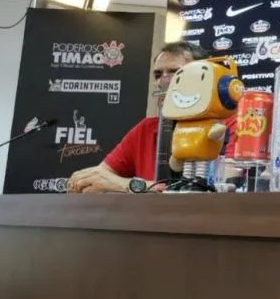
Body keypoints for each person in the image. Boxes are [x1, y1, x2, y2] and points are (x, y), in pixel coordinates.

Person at [66, 42, 238, 193]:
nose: (163, 81)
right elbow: (93, 183)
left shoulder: (230, 123)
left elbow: (219, 189)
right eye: (158, 75)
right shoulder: (147, 128)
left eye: (175, 73)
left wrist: (131, 186)